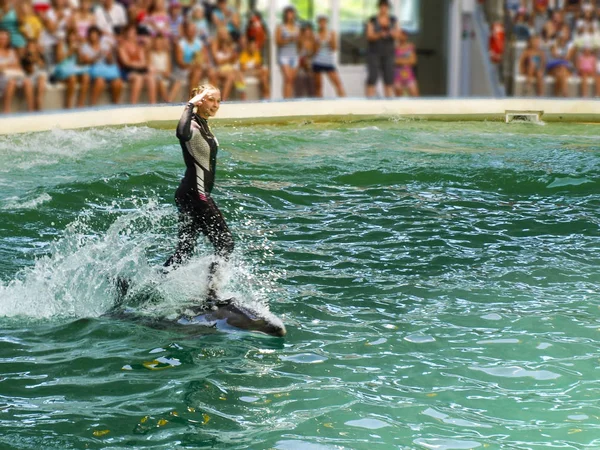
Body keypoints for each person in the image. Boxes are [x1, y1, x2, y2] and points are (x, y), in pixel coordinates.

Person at [164, 84, 234, 303]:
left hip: (190, 193)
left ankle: (151, 284)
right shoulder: (192, 125)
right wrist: (190, 104)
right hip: (197, 195)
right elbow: (180, 133)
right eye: (211, 100)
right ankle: (211, 295)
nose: (216, 105)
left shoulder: (203, 124)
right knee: (225, 243)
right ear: (200, 100)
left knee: (185, 250)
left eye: (218, 101)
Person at [80, 25, 122, 105]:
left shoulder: (104, 45)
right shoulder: (85, 47)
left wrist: (109, 56)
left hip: (105, 69)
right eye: (91, 35)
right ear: (89, 36)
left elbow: (110, 62)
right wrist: (97, 56)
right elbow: (86, 61)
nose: (93, 37)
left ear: (98, 35)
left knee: (118, 82)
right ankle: (93, 105)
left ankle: (116, 104)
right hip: (93, 69)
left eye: (95, 34)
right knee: (100, 81)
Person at [365, 0, 399, 98]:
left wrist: (392, 33)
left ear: (388, 8)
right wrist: (380, 34)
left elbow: (398, 34)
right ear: (379, 7)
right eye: (382, 6)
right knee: (372, 77)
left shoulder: (393, 20)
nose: (383, 9)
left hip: (388, 53)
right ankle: (369, 103)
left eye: (385, 7)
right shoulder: (372, 20)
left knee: (389, 79)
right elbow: (369, 36)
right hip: (374, 53)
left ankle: (388, 104)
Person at [117, 24, 157, 104]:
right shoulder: (122, 46)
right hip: (126, 71)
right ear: (126, 33)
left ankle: (153, 104)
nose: (133, 33)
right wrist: (140, 64)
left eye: (134, 32)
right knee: (138, 78)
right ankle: (133, 104)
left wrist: (142, 65)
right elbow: (126, 63)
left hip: (138, 70)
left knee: (151, 78)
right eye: (131, 31)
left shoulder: (139, 46)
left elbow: (143, 61)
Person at [52, 28, 90, 108]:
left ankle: (80, 104)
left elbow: (80, 62)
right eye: (71, 35)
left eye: (74, 36)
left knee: (86, 77)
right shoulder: (61, 44)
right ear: (67, 36)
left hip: (73, 69)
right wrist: (70, 51)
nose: (73, 38)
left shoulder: (76, 46)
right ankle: (68, 105)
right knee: (72, 78)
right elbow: (58, 60)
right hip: (62, 69)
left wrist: (79, 52)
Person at [312, 15, 345, 98]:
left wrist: (330, 40)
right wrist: (317, 43)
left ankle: (344, 103)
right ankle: (319, 106)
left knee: (338, 84)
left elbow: (334, 48)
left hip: (328, 62)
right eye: (320, 21)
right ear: (318, 23)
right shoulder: (315, 34)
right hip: (318, 61)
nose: (322, 23)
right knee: (318, 86)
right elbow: (314, 51)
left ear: (326, 22)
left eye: (324, 21)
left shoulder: (331, 33)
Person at [0, 29, 31, 113]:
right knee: (12, 82)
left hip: (13, 75)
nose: (3, 40)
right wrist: (9, 65)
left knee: (27, 81)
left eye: (5, 38)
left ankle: (30, 110)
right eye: (1, 38)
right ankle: (6, 110)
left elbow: (18, 66)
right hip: (2, 77)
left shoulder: (12, 51)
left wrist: (5, 66)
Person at [149, 33, 181, 102]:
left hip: (165, 74)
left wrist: (166, 73)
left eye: (160, 43)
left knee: (178, 81)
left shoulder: (166, 54)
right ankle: (166, 100)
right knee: (161, 81)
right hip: (156, 75)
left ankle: (169, 100)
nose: (158, 45)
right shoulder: (151, 54)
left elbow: (168, 69)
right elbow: (151, 69)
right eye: (156, 43)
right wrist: (160, 72)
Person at [275, 6, 299, 99]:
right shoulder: (280, 27)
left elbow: (300, 42)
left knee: (291, 80)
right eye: (288, 13)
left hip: (294, 56)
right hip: (284, 56)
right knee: (288, 79)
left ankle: (290, 101)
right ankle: (286, 102)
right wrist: (289, 39)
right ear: (285, 15)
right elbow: (278, 42)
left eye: (291, 13)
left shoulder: (297, 27)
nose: (290, 15)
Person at [21, 38, 47, 110]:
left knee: (42, 76)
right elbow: (30, 71)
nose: (31, 48)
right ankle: (31, 108)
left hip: (39, 76)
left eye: (33, 46)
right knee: (28, 82)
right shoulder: (25, 58)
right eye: (29, 47)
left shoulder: (40, 55)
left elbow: (42, 65)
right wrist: (30, 57)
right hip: (29, 76)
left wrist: (35, 57)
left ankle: (39, 102)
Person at [394, 28, 419, 97]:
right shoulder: (395, 48)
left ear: (406, 36)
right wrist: (406, 60)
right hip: (397, 75)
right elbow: (394, 61)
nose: (402, 37)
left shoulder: (410, 47)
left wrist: (401, 61)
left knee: (415, 94)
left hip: (409, 75)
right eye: (400, 35)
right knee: (398, 96)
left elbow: (413, 61)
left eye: (404, 35)